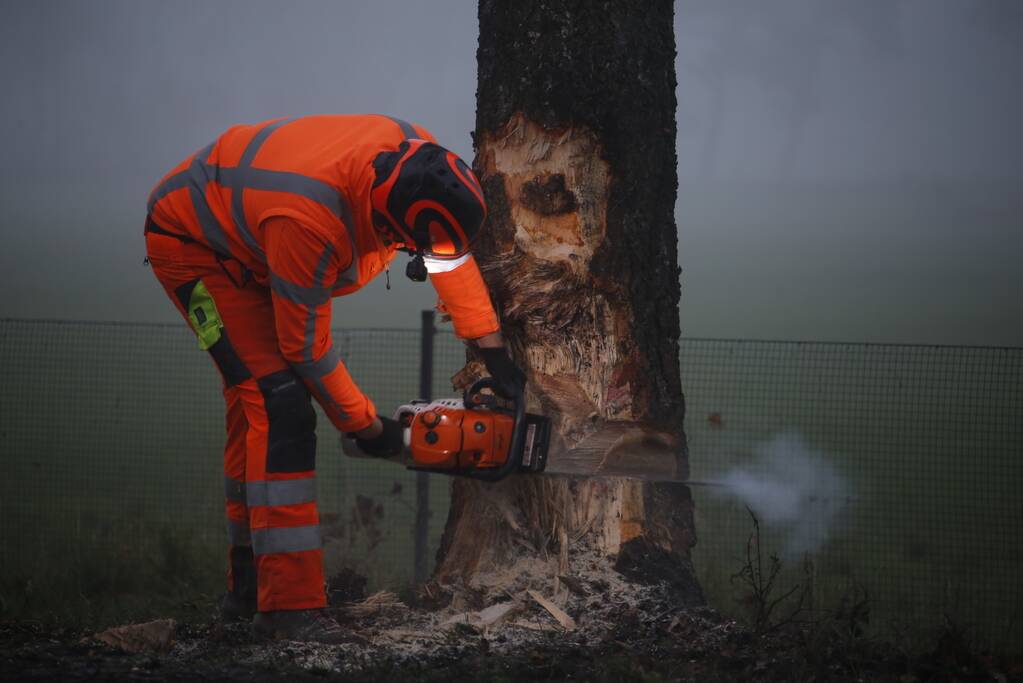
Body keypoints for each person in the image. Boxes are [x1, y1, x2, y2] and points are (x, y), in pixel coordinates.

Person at [144, 114, 524, 642]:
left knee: (254, 405)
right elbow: (304, 348)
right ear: (390, 226)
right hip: (198, 249)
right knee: (279, 406)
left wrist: (492, 347)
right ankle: (288, 611)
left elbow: (445, 254)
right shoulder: (310, 221)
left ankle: (249, 590)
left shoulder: (421, 162)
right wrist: (368, 428)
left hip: (258, 236)